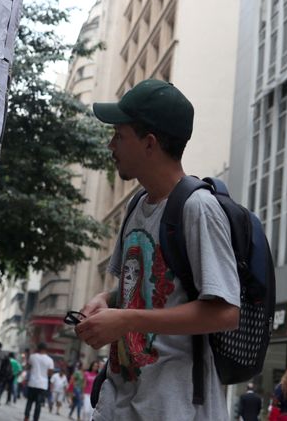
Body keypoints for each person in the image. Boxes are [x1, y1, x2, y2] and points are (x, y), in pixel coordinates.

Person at [75, 79, 241, 420]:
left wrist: (126, 319)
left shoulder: (198, 209)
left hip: (174, 407)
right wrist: (107, 300)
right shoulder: (136, 206)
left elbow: (225, 312)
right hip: (120, 401)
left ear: (149, 143)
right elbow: (144, 290)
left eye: (119, 136)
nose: (111, 145)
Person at [23, 342, 54, 421]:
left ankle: (26, 417)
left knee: (29, 401)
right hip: (42, 385)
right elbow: (50, 373)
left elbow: (28, 367)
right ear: (46, 349)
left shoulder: (32, 357)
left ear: (38, 348)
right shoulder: (50, 360)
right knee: (38, 404)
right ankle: (35, 419)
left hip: (32, 383)